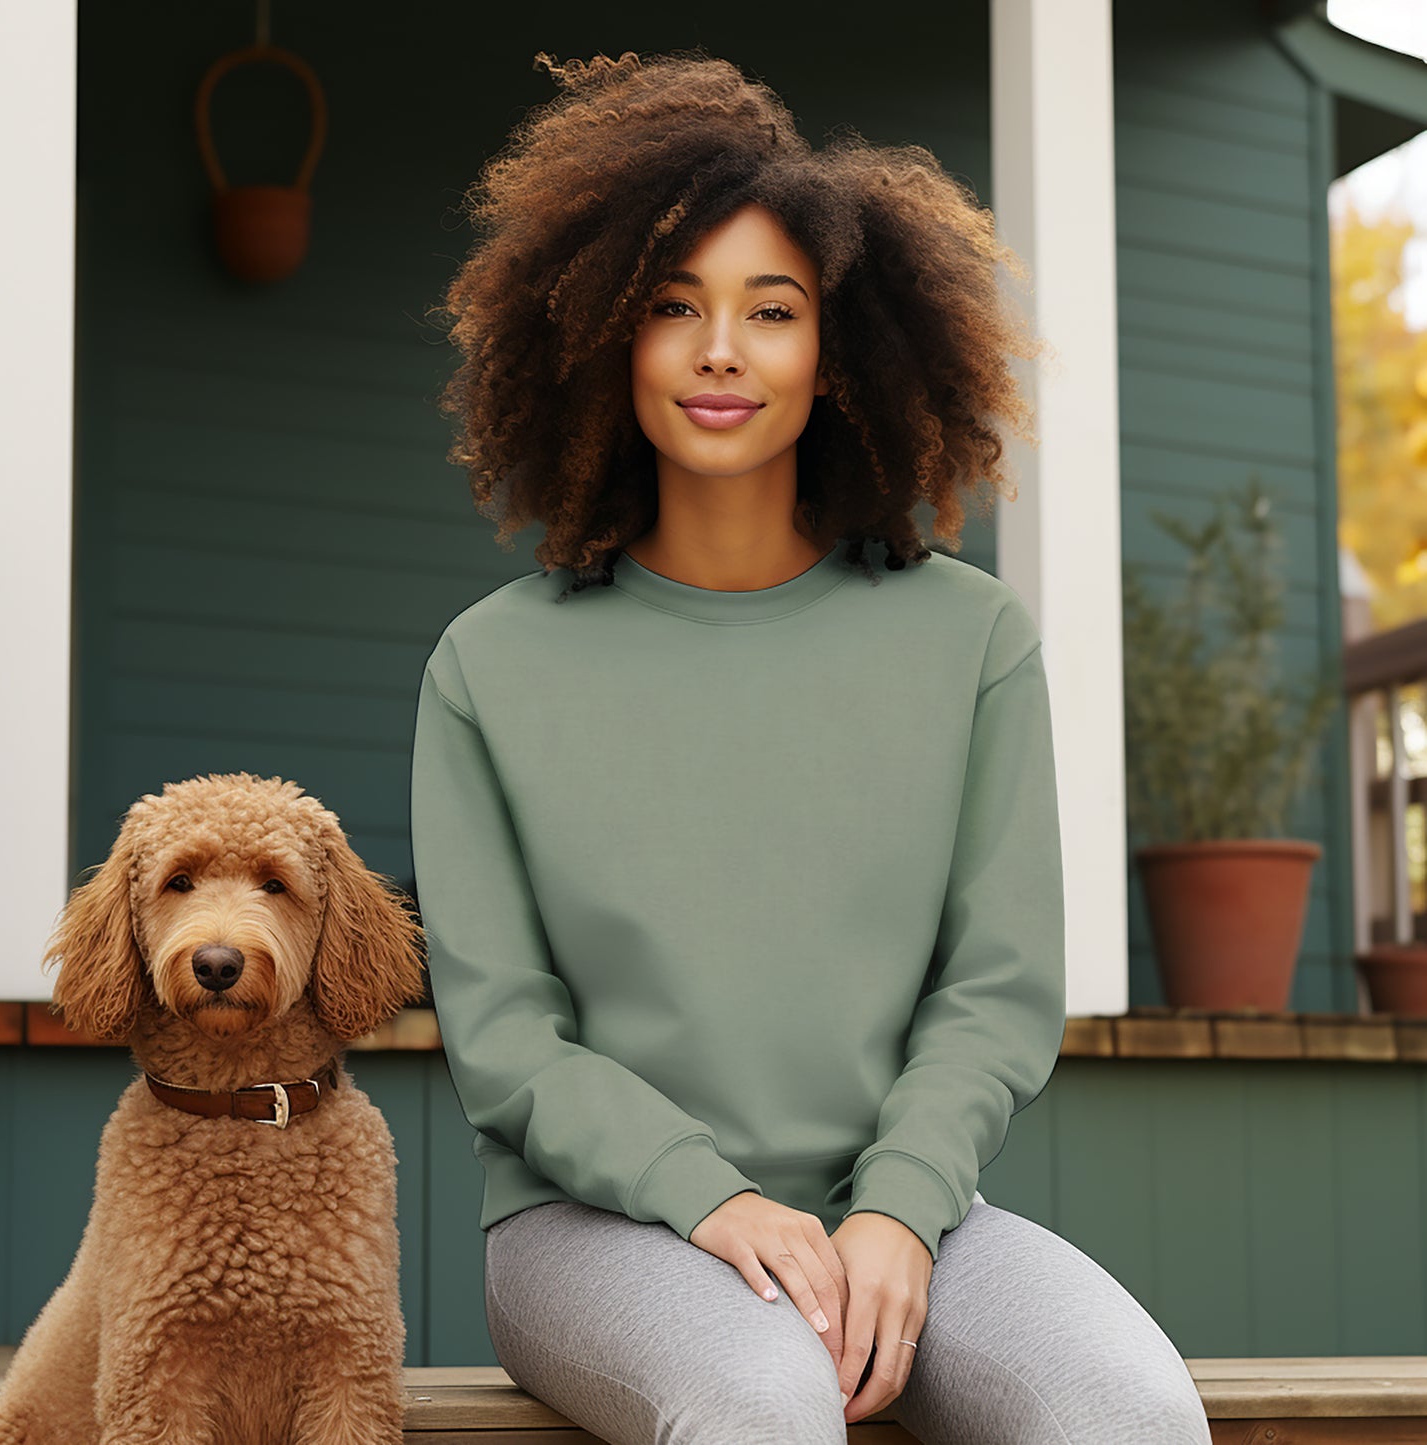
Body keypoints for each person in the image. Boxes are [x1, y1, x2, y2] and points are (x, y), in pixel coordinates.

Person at [409, 48, 1212, 1445]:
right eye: (673, 308)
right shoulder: (491, 666)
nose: (721, 350)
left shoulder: (968, 641)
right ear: (606, 335)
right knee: (761, 1398)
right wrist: (711, 1197)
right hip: (599, 1227)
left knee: (1127, 1407)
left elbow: (997, 985)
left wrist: (899, 1204)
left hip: (909, 1214)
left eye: (769, 312)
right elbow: (508, 1038)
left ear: (835, 352)